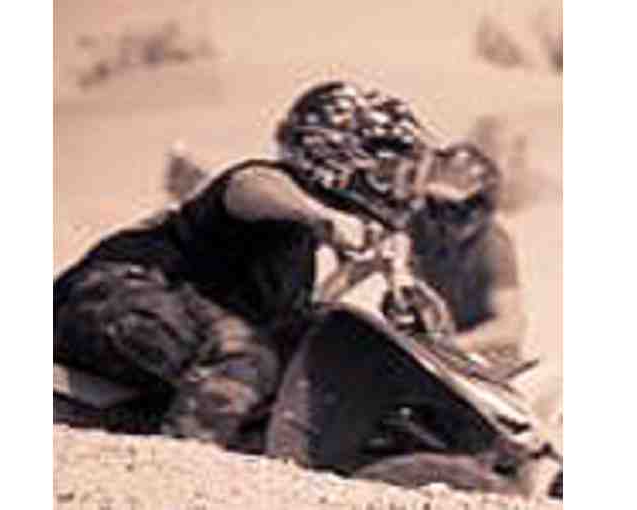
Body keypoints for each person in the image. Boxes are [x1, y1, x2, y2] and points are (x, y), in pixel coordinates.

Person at [53, 80, 426, 449]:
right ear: (333, 155)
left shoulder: (296, 253)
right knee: (245, 357)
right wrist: (320, 217)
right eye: (388, 174)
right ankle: (185, 471)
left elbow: (291, 320)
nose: (401, 189)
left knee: (294, 361)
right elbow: (250, 186)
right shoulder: (268, 184)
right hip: (110, 291)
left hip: (161, 313)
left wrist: (361, 277)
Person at [407, 141, 527, 373]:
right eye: (434, 206)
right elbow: (367, 260)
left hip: (483, 364)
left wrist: (449, 346)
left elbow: (510, 326)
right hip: (432, 348)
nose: (443, 220)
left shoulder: (492, 246)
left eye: (454, 211)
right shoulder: (422, 223)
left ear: (480, 210)